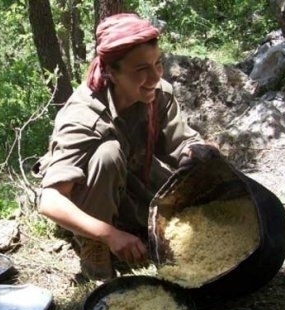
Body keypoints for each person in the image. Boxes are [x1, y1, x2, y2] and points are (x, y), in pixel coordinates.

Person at [33, 12, 216, 281]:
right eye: (141, 69)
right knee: (108, 154)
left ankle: (135, 221)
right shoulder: (83, 115)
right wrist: (109, 235)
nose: (154, 77)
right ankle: (94, 245)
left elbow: (181, 143)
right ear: (111, 73)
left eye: (158, 64)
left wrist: (199, 152)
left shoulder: (158, 95)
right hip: (92, 191)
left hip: (135, 176)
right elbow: (50, 201)